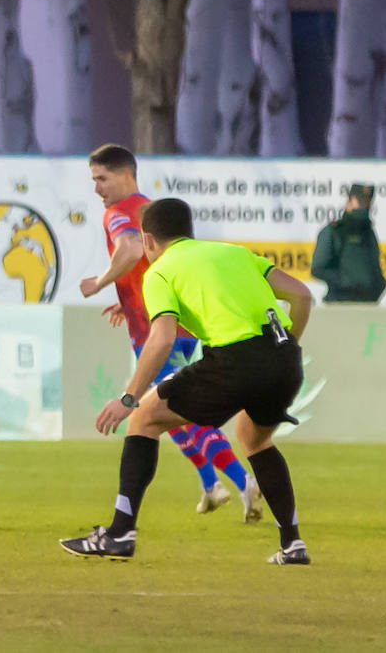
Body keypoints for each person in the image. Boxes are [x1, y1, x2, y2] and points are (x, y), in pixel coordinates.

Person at [61, 198, 312, 565]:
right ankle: (293, 545)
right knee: (254, 439)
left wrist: (128, 398)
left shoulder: (159, 271)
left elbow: (161, 339)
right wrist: (288, 348)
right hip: (285, 356)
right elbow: (302, 295)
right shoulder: (235, 253)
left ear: (148, 240)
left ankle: (119, 534)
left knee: (143, 418)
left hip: (235, 360)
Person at [80, 144, 261, 521]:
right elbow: (157, 265)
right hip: (175, 321)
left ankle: (244, 482)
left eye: (102, 178)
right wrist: (126, 298)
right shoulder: (152, 211)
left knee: (176, 410)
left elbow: (130, 249)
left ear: (127, 174)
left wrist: (99, 282)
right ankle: (211, 485)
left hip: (159, 331)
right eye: (94, 180)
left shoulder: (117, 213)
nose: (97, 188)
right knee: (160, 413)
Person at [311, 183, 386, 304]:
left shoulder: (368, 233)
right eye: (360, 202)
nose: (364, 207)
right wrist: (347, 281)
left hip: (368, 306)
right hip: (340, 304)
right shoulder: (335, 230)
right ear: (348, 202)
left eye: (367, 203)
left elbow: (375, 268)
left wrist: (378, 285)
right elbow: (318, 268)